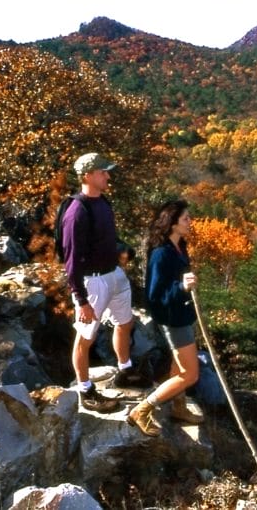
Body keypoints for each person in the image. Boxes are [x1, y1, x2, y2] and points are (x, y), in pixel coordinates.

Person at [61, 152, 141, 413]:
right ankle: (86, 391)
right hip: (92, 283)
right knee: (85, 338)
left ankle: (124, 371)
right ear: (87, 176)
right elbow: (71, 262)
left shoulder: (103, 202)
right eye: (102, 172)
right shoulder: (77, 213)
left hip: (113, 274)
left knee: (125, 322)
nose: (107, 176)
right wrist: (81, 300)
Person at [127, 199, 205, 435]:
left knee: (177, 366)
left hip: (181, 314)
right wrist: (181, 287)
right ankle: (142, 409)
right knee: (189, 373)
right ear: (172, 224)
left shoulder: (179, 247)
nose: (190, 222)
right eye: (185, 219)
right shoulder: (161, 254)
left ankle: (179, 407)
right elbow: (154, 295)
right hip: (173, 319)